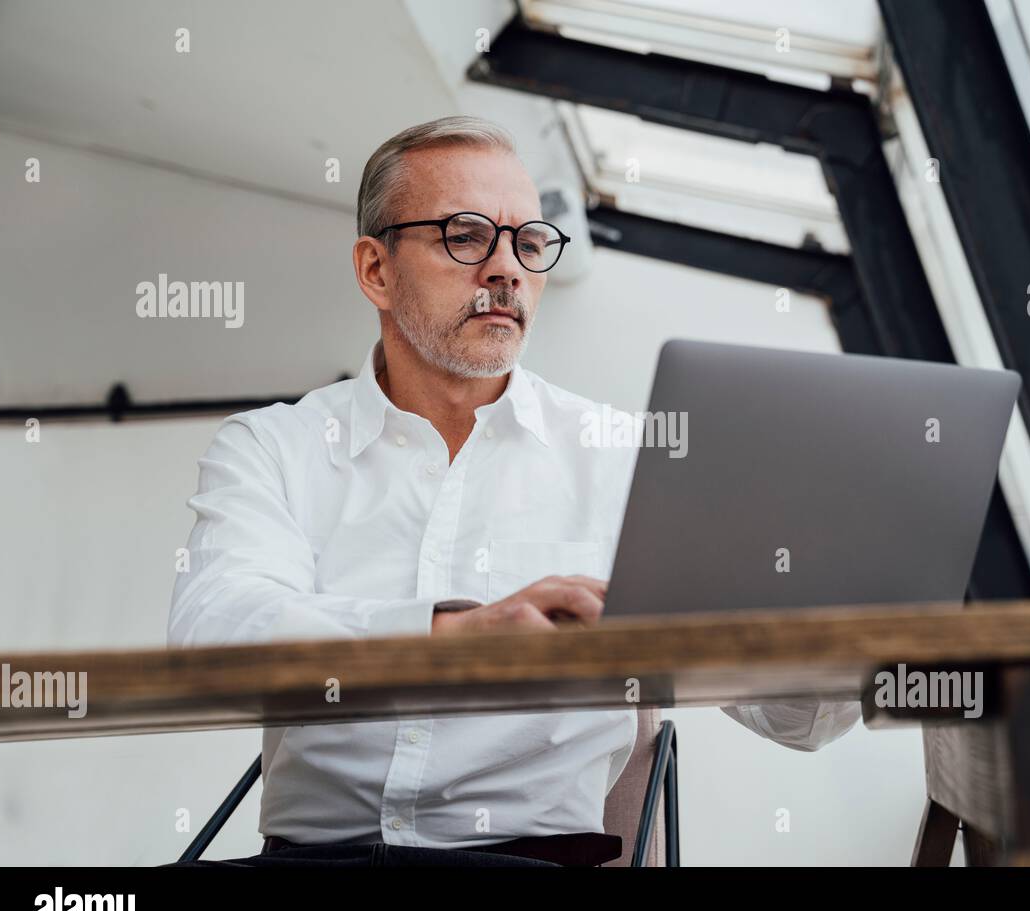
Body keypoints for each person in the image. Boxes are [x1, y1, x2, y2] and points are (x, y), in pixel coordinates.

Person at [166, 116, 860, 867]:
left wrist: (858, 606)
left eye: (528, 243)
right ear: (376, 269)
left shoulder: (627, 459)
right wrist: (451, 636)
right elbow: (215, 641)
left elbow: (797, 718)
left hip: (532, 863)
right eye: (465, 235)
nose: (506, 271)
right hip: (311, 863)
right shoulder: (274, 446)